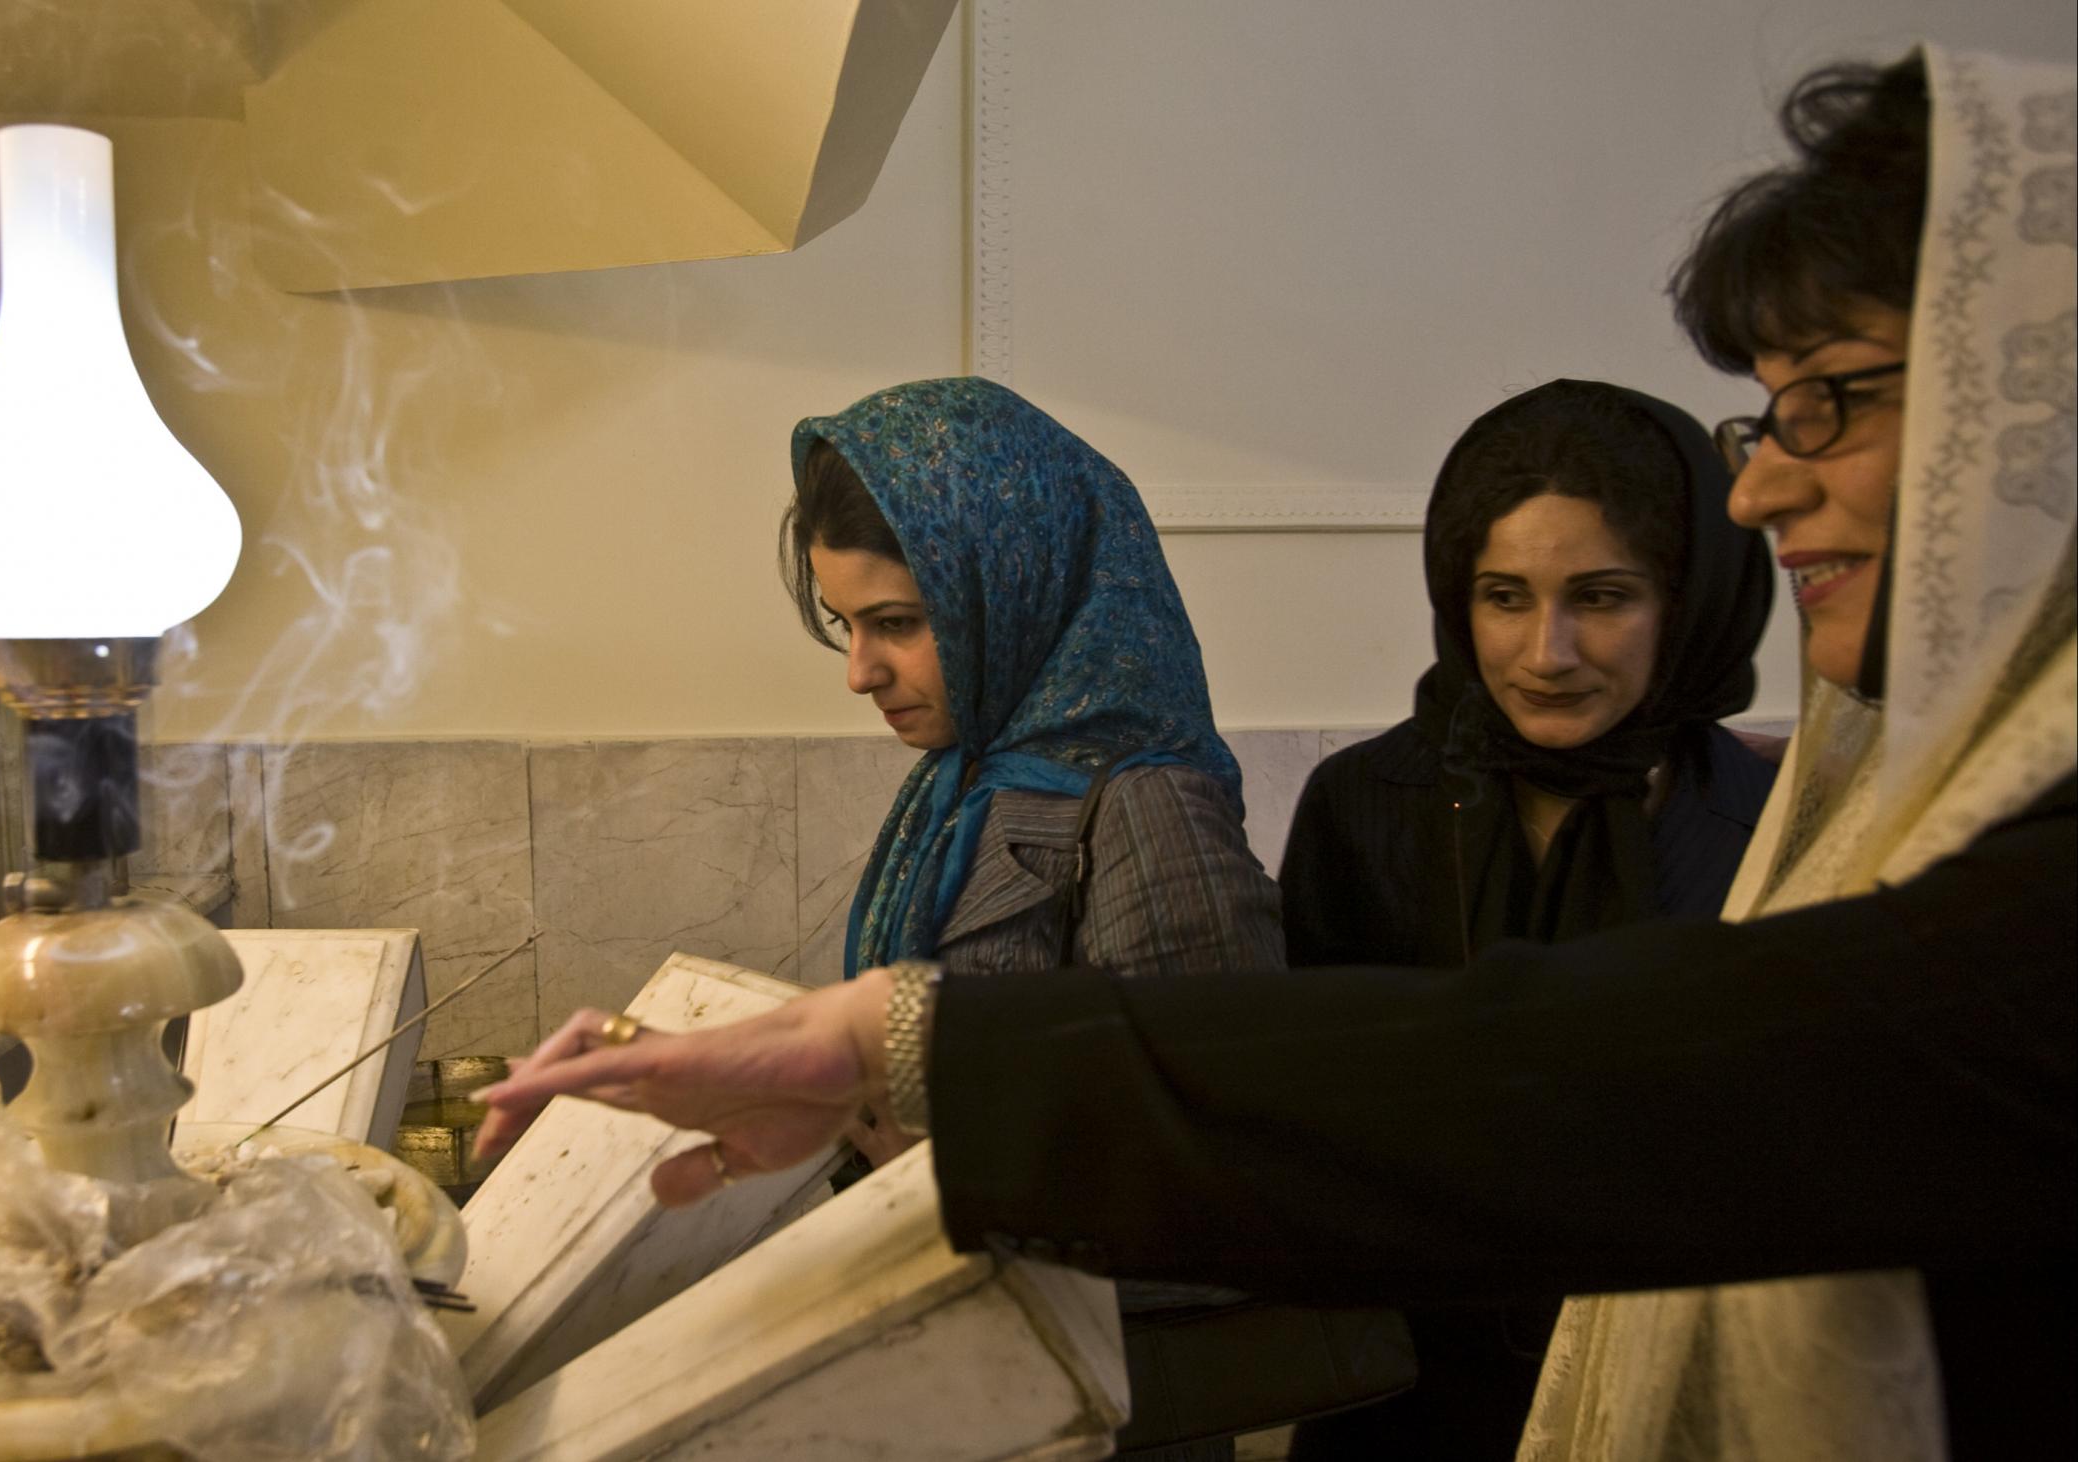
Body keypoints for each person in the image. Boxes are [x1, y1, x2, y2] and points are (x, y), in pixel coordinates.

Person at [472, 46, 2076, 1458]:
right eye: (1764, 415)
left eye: (1836, 403)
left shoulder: (1147, 798)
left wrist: (911, 1065)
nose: (1762, 491)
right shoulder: (1844, 797)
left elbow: (1562, 1081)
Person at [783, 377, 1285, 1458]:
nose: (860, 672)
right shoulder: (963, 785)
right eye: (846, 626)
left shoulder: (1145, 805)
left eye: (898, 625)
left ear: (1008, 588)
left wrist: (944, 1161)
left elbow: (1215, 1185)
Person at [1280, 379, 1778, 1461]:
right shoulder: (1367, 804)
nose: (1544, 651)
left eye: (1599, 595)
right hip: (1404, 1401)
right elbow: (1312, 1118)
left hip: (1668, 1401)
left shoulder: (1763, 830)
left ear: (1687, 601)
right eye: (1502, 595)